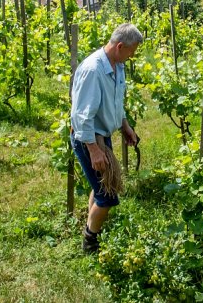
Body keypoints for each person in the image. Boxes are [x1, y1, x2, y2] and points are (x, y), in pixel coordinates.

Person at [70, 23, 143, 253]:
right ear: (120, 46)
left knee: (100, 186)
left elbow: (115, 103)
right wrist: (94, 151)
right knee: (108, 196)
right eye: (131, 52)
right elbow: (81, 117)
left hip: (103, 137)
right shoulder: (93, 70)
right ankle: (90, 240)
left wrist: (126, 127)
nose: (131, 57)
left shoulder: (117, 66)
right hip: (89, 140)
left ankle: (92, 227)